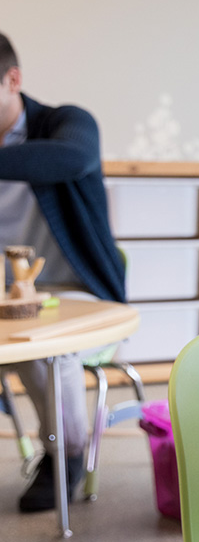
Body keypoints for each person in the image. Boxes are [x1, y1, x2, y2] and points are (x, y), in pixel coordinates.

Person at [0, 31, 126, 512]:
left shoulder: (65, 123)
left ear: (13, 80)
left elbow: (73, 158)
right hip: (9, 297)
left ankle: (65, 455)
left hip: (80, 293)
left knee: (47, 348)